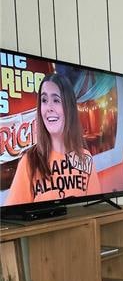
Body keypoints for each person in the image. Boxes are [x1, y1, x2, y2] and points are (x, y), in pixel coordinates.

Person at [6, 72, 101, 205]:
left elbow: (94, 210)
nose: (49, 108)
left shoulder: (85, 158)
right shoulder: (29, 161)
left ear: (69, 108)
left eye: (56, 100)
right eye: (44, 101)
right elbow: (13, 215)